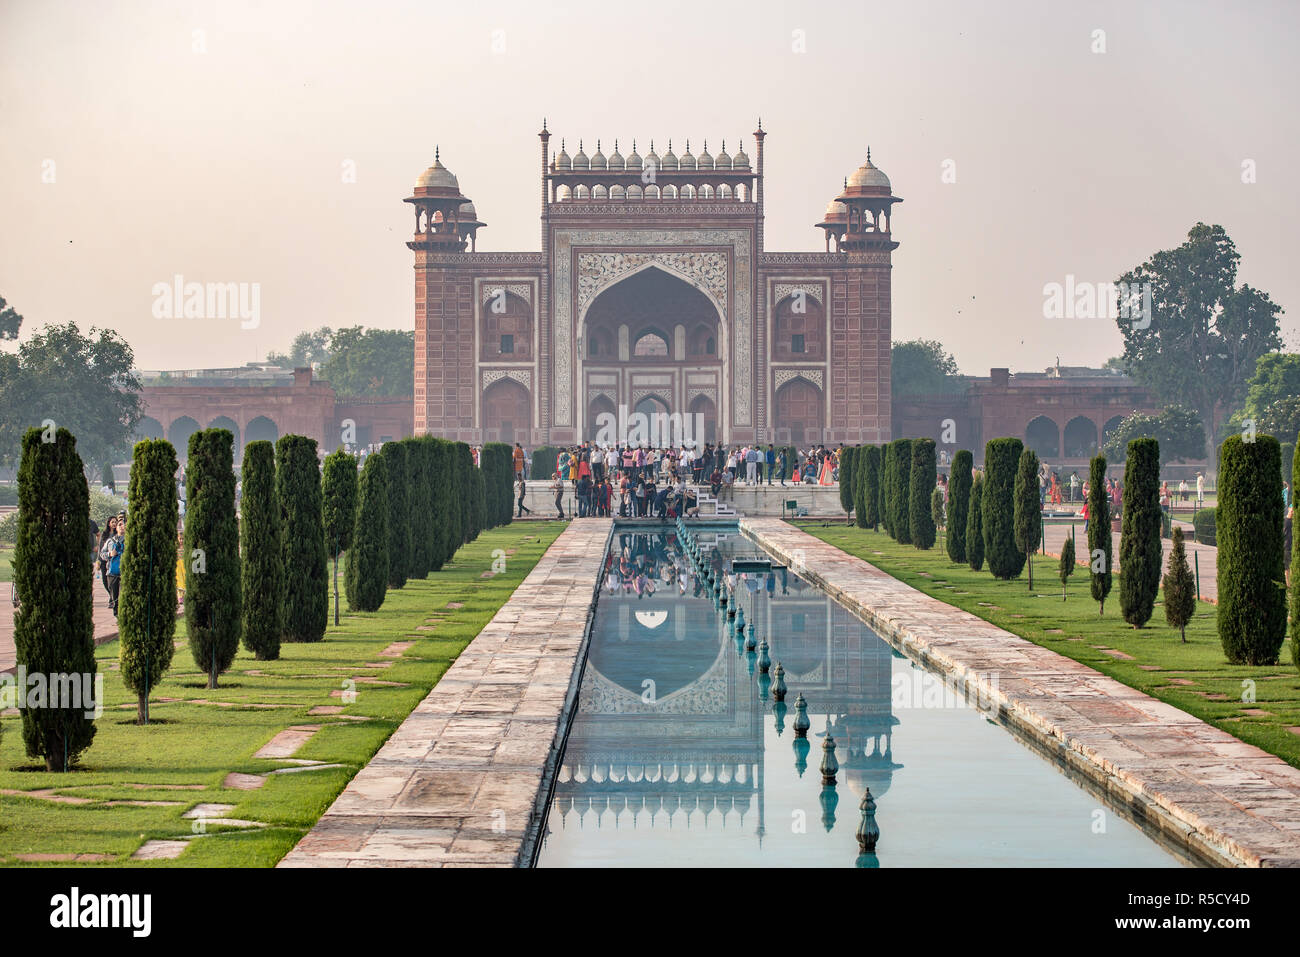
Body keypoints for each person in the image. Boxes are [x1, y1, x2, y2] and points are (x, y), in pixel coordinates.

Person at [102, 512, 126, 617]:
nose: (122, 527)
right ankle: (117, 615)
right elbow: (102, 554)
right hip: (112, 572)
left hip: (125, 572)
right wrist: (110, 554)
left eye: (123, 524)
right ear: (116, 528)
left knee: (124, 596)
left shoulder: (129, 540)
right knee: (115, 596)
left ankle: (124, 615)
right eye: (119, 525)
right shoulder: (110, 541)